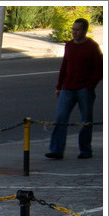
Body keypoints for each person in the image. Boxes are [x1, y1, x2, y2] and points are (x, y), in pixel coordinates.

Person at [45, 18, 103, 160]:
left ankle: (85, 150)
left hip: (84, 89)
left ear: (84, 31)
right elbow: (64, 66)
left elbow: (99, 69)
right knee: (60, 118)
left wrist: (90, 85)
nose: (74, 33)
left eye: (77, 30)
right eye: (73, 29)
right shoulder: (69, 45)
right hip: (67, 88)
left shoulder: (92, 47)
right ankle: (57, 150)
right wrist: (59, 86)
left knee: (86, 120)